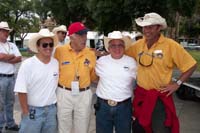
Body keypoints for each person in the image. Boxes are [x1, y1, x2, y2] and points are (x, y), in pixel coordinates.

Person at [126, 12, 197, 133]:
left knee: (161, 129)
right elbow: (120, 54)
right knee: (140, 129)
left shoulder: (171, 46)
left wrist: (177, 83)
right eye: (144, 27)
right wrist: (98, 54)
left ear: (159, 27)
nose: (146, 30)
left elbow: (191, 65)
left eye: (150, 27)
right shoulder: (138, 45)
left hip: (160, 98)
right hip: (141, 96)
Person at [14, 28, 59, 133]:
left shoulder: (56, 63)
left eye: (51, 44)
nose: (48, 47)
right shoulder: (28, 65)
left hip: (51, 112)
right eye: (44, 45)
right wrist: (25, 112)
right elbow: (21, 90)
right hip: (33, 112)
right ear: (38, 47)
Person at [54, 22, 96, 133]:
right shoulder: (59, 51)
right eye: (81, 35)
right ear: (71, 37)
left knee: (83, 126)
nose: (84, 38)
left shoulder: (90, 53)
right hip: (64, 93)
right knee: (63, 126)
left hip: (84, 93)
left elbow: (93, 76)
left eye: (85, 34)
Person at [95, 31, 137, 133]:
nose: (117, 48)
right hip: (103, 107)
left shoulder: (132, 62)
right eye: (113, 45)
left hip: (124, 107)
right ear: (108, 48)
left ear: (124, 47)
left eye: (120, 45)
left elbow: (139, 82)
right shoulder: (101, 61)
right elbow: (93, 77)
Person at [0, 21, 22, 132]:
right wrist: (11, 56)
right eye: (4, 30)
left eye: (7, 31)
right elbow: (1, 56)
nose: (6, 33)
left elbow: (19, 58)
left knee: (10, 102)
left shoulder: (12, 45)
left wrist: (7, 58)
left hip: (11, 77)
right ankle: (1, 125)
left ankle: (10, 123)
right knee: (0, 104)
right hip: (1, 77)